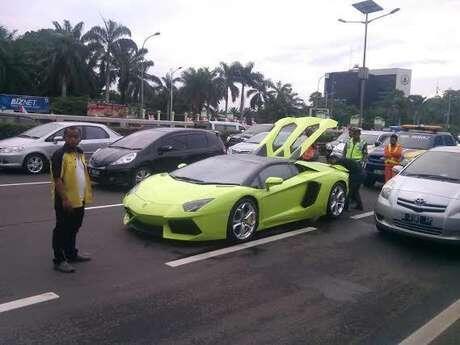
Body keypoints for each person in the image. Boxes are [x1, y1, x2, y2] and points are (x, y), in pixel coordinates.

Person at [51, 127, 93, 273]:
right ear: (65, 137)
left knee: (74, 227)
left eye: (76, 137)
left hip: (79, 199)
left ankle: (71, 254)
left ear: (80, 138)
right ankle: (59, 260)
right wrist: (64, 199)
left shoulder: (80, 152)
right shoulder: (59, 154)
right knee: (62, 229)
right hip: (65, 200)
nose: (73, 139)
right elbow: (57, 179)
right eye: (70, 137)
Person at [341, 128, 367, 210]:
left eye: (357, 133)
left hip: (357, 166)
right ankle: (359, 205)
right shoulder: (348, 141)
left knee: (352, 187)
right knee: (352, 187)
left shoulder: (363, 143)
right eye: (354, 133)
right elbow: (344, 152)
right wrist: (343, 161)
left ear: (359, 134)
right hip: (348, 165)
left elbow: (365, 155)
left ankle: (347, 205)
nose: (355, 135)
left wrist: (362, 164)